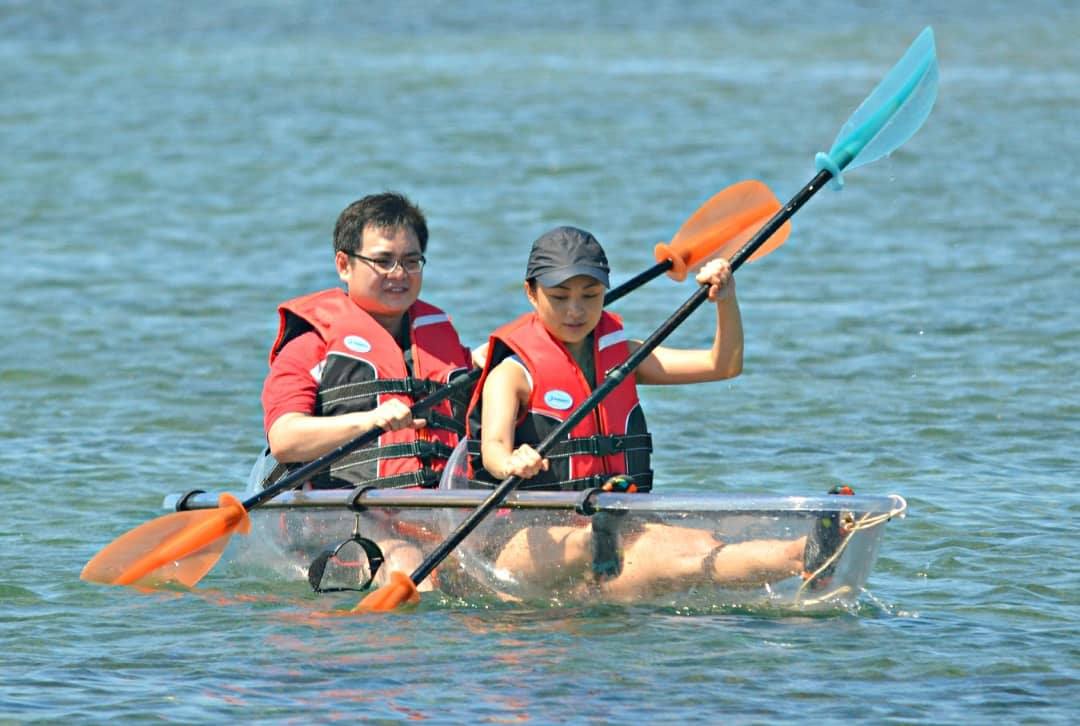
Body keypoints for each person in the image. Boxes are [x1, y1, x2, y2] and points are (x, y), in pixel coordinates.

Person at [465, 226, 810, 601]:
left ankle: (807, 551)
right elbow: (493, 451)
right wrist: (514, 461)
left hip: (618, 529)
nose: (576, 310)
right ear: (531, 293)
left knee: (695, 546)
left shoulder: (624, 357)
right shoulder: (512, 373)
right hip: (525, 542)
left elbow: (722, 364)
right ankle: (604, 536)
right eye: (560, 297)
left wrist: (725, 298)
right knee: (610, 542)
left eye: (591, 295)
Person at [255, 192, 482, 588]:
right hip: (347, 515)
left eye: (412, 261)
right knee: (413, 567)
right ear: (344, 264)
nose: (399, 273)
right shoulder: (310, 344)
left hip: (438, 515)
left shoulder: (441, 341)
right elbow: (285, 439)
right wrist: (371, 420)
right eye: (383, 261)